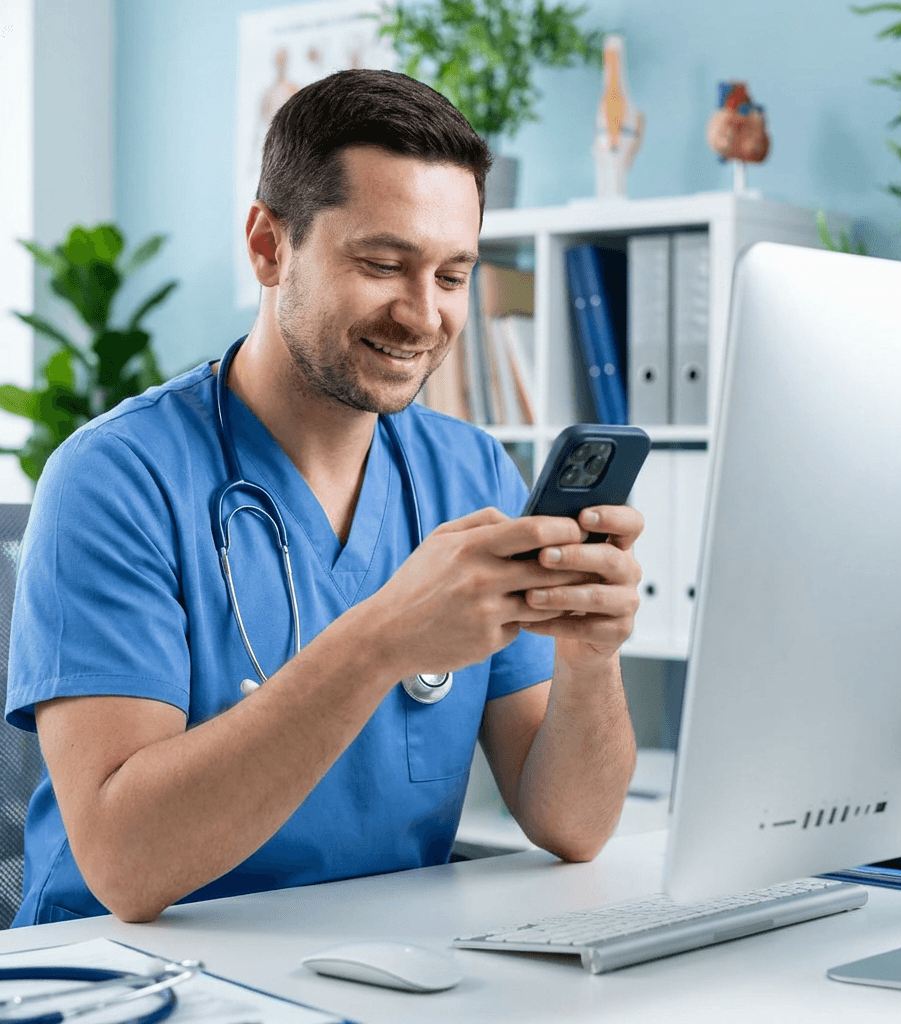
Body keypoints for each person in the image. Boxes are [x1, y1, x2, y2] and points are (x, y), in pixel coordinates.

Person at [5, 69, 643, 927]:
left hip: (370, 964)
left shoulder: (474, 476)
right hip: (129, 980)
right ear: (270, 246)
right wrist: (382, 639)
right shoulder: (116, 478)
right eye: (384, 264)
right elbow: (124, 866)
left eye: (453, 277)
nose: (424, 316)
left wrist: (591, 656)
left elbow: (572, 824)